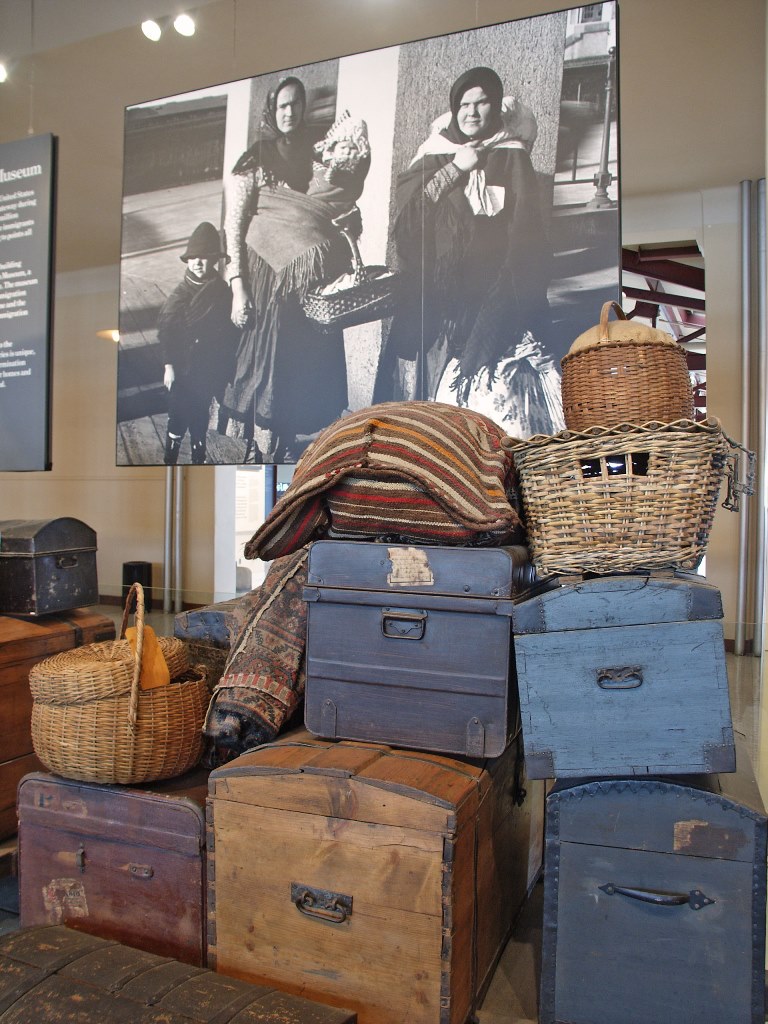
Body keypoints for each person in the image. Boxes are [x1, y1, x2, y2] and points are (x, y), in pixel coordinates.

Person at [373, 66, 563, 435]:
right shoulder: (435, 154)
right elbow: (409, 225)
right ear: (454, 108)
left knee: (483, 411)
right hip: (438, 303)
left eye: (482, 103)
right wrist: (455, 168)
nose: (472, 112)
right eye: (464, 104)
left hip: (494, 298)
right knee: (424, 412)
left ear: (495, 107)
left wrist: (499, 313)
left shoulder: (512, 157)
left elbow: (527, 238)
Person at [221, 76, 370, 462]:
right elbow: (233, 225)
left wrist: (348, 221)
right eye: (283, 105)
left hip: (305, 282)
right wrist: (238, 286)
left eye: (296, 105)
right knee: (262, 364)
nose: (289, 112)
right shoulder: (254, 158)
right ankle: (254, 449)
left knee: (298, 362)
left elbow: (328, 206)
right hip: (263, 276)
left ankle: (288, 448)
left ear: (303, 110)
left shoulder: (317, 155)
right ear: (272, 110)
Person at [158, 221, 237, 465]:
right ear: (188, 261)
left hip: (208, 364)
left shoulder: (222, 291)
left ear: (214, 260)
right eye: (194, 258)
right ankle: (171, 454)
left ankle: (198, 453)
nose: (198, 263)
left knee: (201, 409)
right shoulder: (181, 293)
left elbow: (228, 329)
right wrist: (169, 365)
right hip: (182, 365)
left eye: (204, 257)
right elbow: (166, 330)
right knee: (179, 409)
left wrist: (226, 365)